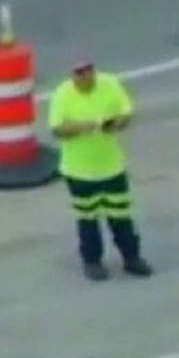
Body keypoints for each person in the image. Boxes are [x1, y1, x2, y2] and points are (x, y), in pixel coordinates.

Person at [47, 59, 153, 280]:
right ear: (72, 75)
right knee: (88, 219)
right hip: (79, 171)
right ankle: (92, 261)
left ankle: (132, 258)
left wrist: (116, 124)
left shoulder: (110, 84)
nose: (85, 75)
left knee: (121, 216)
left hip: (111, 167)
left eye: (88, 70)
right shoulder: (63, 95)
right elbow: (57, 129)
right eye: (79, 72)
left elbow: (126, 113)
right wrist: (83, 126)